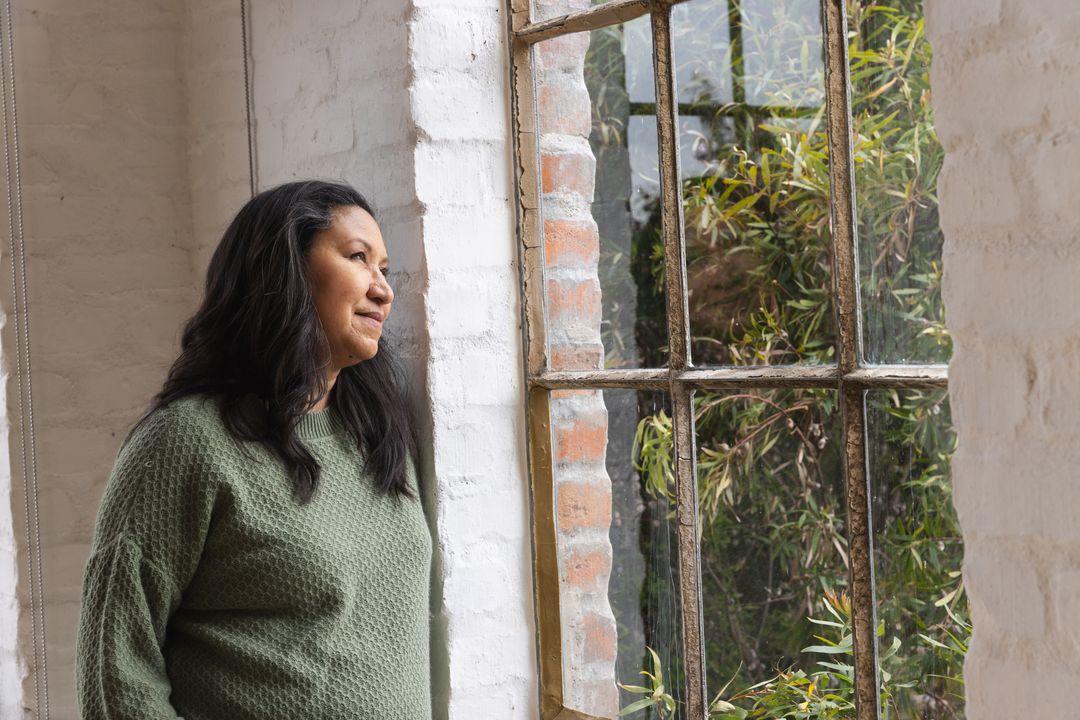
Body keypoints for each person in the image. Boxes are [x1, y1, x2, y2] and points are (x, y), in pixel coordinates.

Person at [74, 180, 432, 719]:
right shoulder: (186, 442)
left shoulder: (376, 432)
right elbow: (115, 666)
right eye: (359, 258)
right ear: (284, 271)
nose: (384, 289)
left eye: (383, 267)